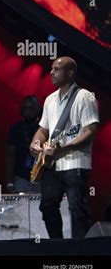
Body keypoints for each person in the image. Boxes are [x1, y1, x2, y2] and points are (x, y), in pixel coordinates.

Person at [30, 56, 99, 239]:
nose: (51, 72)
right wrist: (35, 143)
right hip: (52, 163)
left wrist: (64, 148)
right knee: (47, 205)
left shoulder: (85, 97)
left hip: (75, 162)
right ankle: (57, 245)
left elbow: (90, 131)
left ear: (70, 73)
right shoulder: (49, 100)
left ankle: (80, 249)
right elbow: (43, 129)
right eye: (51, 68)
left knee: (77, 207)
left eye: (56, 69)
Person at [5, 95, 41, 193]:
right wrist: (9, 182)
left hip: (40, 179)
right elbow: (10, 157)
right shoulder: (16, 129)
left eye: (31, 108)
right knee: (20, 207)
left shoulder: (43, 129)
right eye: (25, 108)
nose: (28, 111)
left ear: (37, 109)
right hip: (21, 178)